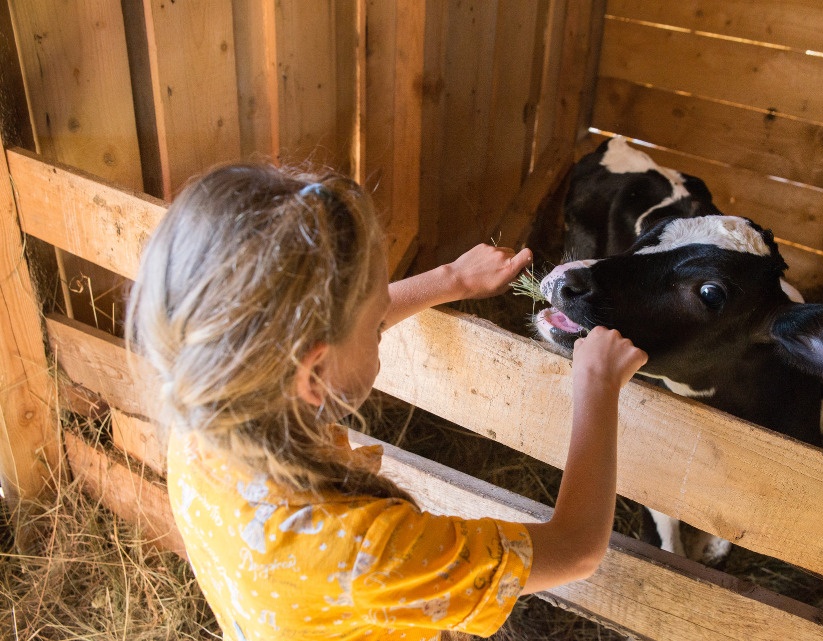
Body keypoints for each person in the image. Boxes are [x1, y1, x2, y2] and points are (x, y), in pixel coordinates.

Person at [126, 163, 648, 641]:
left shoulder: (205, 422)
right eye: (376, 322)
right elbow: (576, 549)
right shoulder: (370, 552)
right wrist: (596, 388)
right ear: (314, 372)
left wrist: (449, 281)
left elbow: (320, 333)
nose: (382, 322)